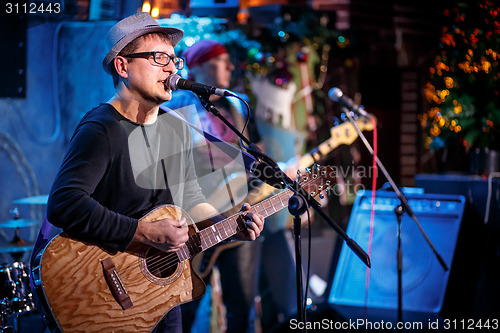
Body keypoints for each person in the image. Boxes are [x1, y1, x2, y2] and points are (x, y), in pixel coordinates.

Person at [41, 13, 264, 333]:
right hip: (103, 292)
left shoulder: (176, 127)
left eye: (173, 60)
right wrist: (143, 233)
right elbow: (64, 203)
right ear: (123, 66)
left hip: (159, 294)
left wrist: (228, 228)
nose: (172, 68)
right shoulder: (103, 127)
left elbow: (190, 200)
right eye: (159, 58)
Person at [162, 40, 263, 333]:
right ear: (201, 66)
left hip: (236, 216)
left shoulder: (237, 104)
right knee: (184, 311)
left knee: (241, 310)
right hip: (193, 223)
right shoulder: (176, 107)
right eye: (222, 60)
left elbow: (258, 154)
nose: (231, 66)